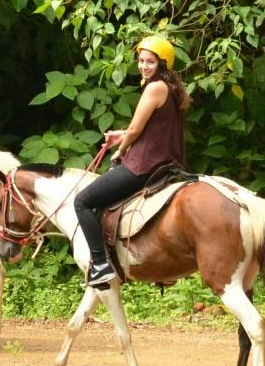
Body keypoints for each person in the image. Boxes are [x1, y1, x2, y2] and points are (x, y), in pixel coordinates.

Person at [72, 34, 190, 289]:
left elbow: (137, 130)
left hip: (143, 166)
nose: (144, 66)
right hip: (165, 163)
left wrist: (121, 151)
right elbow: (152, 129)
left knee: (82, 201)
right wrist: (122, 135)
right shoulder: (171, 88)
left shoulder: (154, 87)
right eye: (141, 61)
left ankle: (100, 264)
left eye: (150, 62)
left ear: (162, 63)